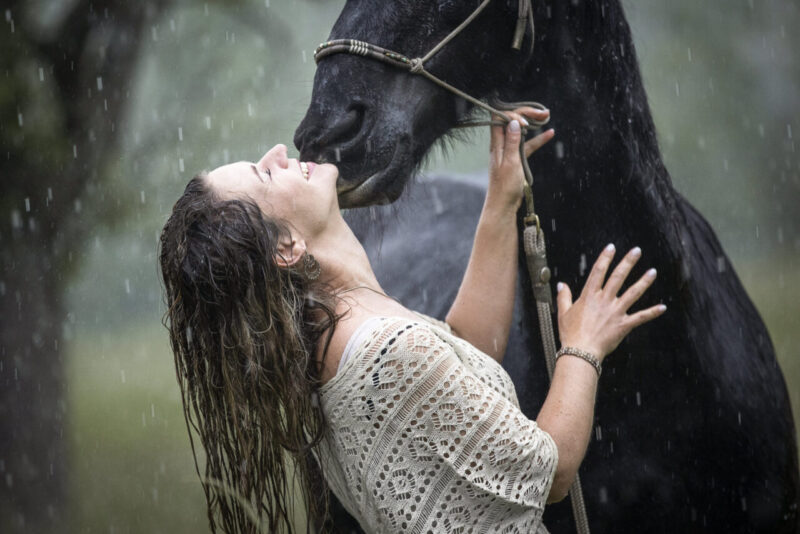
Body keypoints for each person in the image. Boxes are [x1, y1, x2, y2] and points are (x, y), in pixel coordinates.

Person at [159, 107, 666, 534]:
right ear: (286, 248)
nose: (277, 153)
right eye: (265, 173)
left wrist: (501, 197)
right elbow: (550, 472)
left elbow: (466, 349)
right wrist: (583, 345)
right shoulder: (387, 350)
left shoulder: (341, 341)